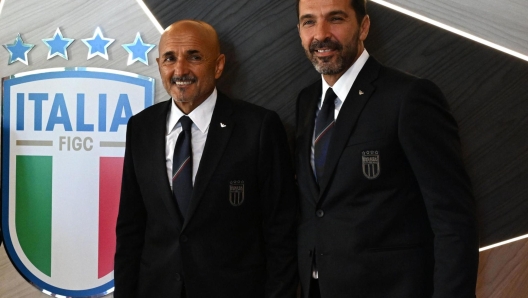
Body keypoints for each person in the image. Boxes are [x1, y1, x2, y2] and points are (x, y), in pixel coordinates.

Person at [294, 0, 479, 297]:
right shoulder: (306, 101)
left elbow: (453, 219)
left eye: (336, 19)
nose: (321, 33)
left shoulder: (409, 97)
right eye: (308, 22)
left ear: (363, 26)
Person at [114, 20, 298, 298]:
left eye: (194, 57)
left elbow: (280, 231)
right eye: (170, 59)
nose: (180, 70)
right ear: (159, 64)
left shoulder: (259, 127)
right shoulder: (141, 128)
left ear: (219, 65)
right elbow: (131, 227)